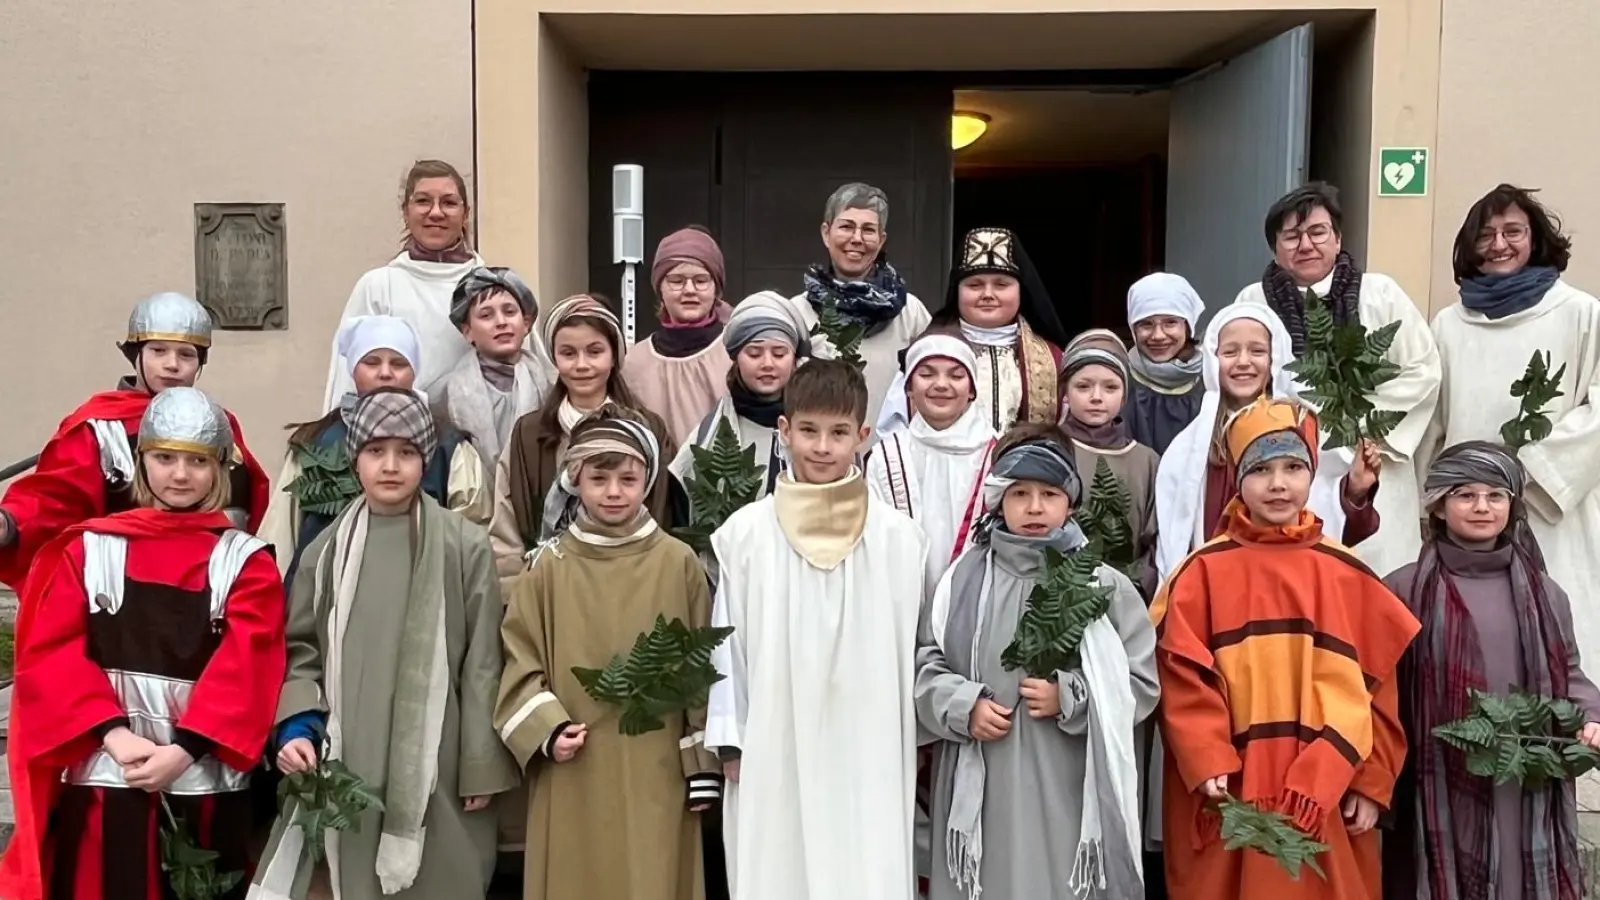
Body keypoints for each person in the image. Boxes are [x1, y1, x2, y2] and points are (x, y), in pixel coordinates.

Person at [0, 388, 286, 900]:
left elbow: (248, 666)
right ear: (140, 462)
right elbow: (54, 653)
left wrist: (185, 749)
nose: (179, 474)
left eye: (196, 461)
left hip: (204, 784)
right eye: (164, 457)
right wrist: (113, 735)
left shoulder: (245, 562)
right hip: (106, 780)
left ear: (220, 468)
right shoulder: (88, 549)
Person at [252, 388, 519, 900]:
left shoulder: (464, 545)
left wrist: (479, 765)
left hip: (440, 761)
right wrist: (295, 730)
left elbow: (484, 661)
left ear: (426, 460)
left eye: (407, 452)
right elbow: (302, 651)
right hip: (348, 757)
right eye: (376, 451)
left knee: (442, 878)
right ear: (356, 461)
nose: (391, 466)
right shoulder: (325, 551)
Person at [1152, 396, 1420, 900]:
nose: (1278, 484)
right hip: (1233, 783)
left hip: (1327, 789)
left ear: (1311, 474)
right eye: (1261, 470)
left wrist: (1372, 781)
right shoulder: (1200, 574)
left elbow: (1379, 690)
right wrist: (1206, 756)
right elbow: (1181, 677)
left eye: (1294, 467)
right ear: (1237, 479)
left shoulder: (1347, 573)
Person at [706, 358, 928, 900]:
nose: (822, 447)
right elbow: (725, 646)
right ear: (784, 432)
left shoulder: (900, 541)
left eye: (838, 433)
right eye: (808, 430)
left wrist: (919, 736)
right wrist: (731, 742)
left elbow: (919, 645)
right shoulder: (745, 537)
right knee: (777, 863)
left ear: (864, 436)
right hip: (773, 736)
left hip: (869, 740)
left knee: (865, 858)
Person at [916, 425, 1158, 900]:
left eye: (1049, 493)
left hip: (1066, 783)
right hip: (986, 785)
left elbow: (1140, 683)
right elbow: (926, 665)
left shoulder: (1101, 585)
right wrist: (963, 705)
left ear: (1070, 501)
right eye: (1019, 493)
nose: (1033, 507)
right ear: (997, 500)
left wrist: (1072, 696)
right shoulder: (960, 582)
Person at [497, 410, 719, 900]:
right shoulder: (548, 568)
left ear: (648, 480)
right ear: (575, 479)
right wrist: (547, 730)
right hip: (575, 766)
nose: (614, 491)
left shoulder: (678, 563)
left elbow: (699, 666)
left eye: (627, 478)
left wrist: (701, 762)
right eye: (599, 478)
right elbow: (519, 660)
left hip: (657, 767)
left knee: (654, 877)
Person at [1383, 441, 1600, 900]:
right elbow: (1378, 691)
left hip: (1521, 778)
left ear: (1512, 507)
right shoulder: (1401, 590)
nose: (1482, 507)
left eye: (1495, 495)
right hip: (1436, 776)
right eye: (1465, 495)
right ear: (1439, 506)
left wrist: (1591, 715)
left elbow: (1570, 672)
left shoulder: (1546, 594)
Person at [1422, 184, 1600, 670]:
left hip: (1550, 504)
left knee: (1566, 633)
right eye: (1486, 234)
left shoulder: (1580, 313)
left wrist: (1535, 474)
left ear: (1535, 238)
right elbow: (1432, 421)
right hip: (1469, 511)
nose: (1499, 244)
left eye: (1512, 231)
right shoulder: (1448, 325)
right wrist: (1430, 498)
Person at [1233, 181, 1441, 577]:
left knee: (1379, 582)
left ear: (1338, 238)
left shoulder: (1380, 293)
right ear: (1275, 248)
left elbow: (1423, 370)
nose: (1305, 245)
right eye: (1291, 236)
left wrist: (1356, 427)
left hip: (1372, 457)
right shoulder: (1253, 302)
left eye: (1317, 232)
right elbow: (1240, 379)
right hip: (1287, 466)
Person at [0, 292, 269, 589]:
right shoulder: (99, 426)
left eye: (186, 354)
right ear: (136, 354)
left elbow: (251, 499)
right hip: (127, 588)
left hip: (215, 582)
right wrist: (10, 523)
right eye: (158, 351)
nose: (172, 364)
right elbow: (54, 499)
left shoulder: (220, 422)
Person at [1153, 305, 1380, 583]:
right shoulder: (1190, 447)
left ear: (1275, 358)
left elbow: (1330, 516)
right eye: (1230, 352)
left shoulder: (1301, 427)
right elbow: (1174, 530)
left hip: (1291, 581)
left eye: (1257, 351)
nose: (1244, 361)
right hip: (1219, 583)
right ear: (1212, 360)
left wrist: (1354, 490)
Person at [258, 315, 483, 583]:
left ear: (414, 370)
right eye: (371, 362)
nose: (385, 373)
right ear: (353, 368)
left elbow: (472, 537)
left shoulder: (448, 446)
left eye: (399, 363)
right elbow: (281, 536)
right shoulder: (314, 443)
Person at [490, 294, 680, 578]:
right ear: (554, 356)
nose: (581, 365)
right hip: (549, 586)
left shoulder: (648, 430)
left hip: (635, 581)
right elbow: (505, 526)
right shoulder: (529, 435)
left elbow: (665, 512)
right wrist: (519, 591)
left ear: (614, 354)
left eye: (594, 351)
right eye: (568, 353)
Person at [322, 160, 516, 407]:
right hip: (395, 436)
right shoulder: (379, 287)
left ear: (466, 213)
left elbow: (530, 373)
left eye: (448, 202)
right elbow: (346, 380)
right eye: (423, 201)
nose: (436, 213)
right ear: (406, 211)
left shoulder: (495, 289)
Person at [784, 182, 931, 424]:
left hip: (891, 456)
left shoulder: (911, 314)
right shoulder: (797, 313)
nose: (857, 239)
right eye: (846, 227)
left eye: (868, 230)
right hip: (820, 454)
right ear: (825, 233)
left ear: (881, 240)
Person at [866, 333, 996, 597]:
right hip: (899, 598)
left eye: (956, 376)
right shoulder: (886, 455)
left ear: (971, 389)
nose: (941, 385)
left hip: (975, 599)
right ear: (908, 387)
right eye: (926, 374)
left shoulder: (998, 454)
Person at [924, 227, 1069, 433]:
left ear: (1021, 290)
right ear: (957, 291)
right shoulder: (926, 353)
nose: (988, 294)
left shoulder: (1054, 361)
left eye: (1001, 284)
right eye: (975, 285)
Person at [673, 290, 808, 503]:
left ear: (794, 359)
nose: (767, 364)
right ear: (737, 358)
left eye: (779, 353)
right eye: (754, 353)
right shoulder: (710, 435)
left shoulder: (817, 424)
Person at [432, 266, 550, 506]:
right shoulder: (444, 396)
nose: (501, 322)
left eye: (509, 312)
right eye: (486, 315)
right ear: (468, 332)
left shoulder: (550, 387)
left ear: (526, 323)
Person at [1058, 329, 1160, 591]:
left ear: (1124, 396)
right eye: (1083, 386)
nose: (1096, 397)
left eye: (1110, 387)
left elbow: (1155, 542)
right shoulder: (1049, 449)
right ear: (1065, 392)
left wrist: (1132, 586)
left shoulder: (1146, 461)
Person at [623, 226, 736, 443]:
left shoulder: (736, 352)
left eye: (701, 281)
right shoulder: (634, 363)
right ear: (660, 290)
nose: (689, 290)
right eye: (676, 281)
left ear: (716, 289)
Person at [1124, 273, 1206, 455]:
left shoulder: (1212, 380)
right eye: (1146, 324)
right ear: (1133, 329)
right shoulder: (1119, 380)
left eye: (1170, 323)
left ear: (1188, 326)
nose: (1158, 335)